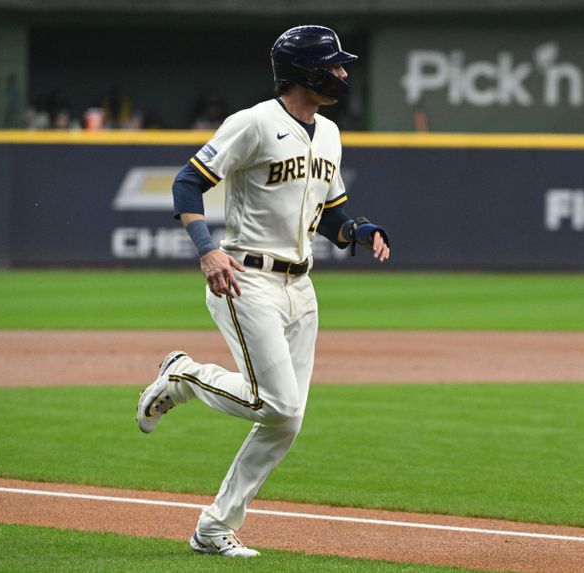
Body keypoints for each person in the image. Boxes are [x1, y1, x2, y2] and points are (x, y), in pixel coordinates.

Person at [136, 25, 390, 558]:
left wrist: (358, 232)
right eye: (335, 65)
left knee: (286, 420)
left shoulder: (330, 133)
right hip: (245, 279)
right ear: (306, 72)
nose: (343, 73)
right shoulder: (254, 123)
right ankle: (182, 376)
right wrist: (207, 249)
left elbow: (331, 215)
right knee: (271, 403)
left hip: (302, 287)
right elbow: (188, 181)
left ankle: (213, 528)